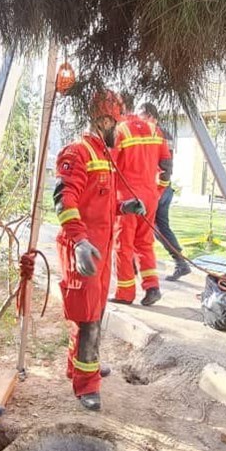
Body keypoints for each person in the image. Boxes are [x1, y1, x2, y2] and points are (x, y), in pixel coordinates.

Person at [54, 90, 145, 411]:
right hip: (83, 249)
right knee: (87, 318)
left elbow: (99, 204)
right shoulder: (78, 152)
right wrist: (79, 241)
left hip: (98, 248)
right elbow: (65, 201)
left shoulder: (102, 154)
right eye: (116, 123)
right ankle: (86, 385)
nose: (118, 131)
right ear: (104, 119)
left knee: (92, 312)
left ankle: (79, 365)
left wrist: (124, 206)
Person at [109, 94, 170, 306]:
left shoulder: (119, 131)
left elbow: (109, 167)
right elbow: (167, 167)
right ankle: (152, 286)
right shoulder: (154, 129)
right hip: (150, 195)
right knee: (144, 243)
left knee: (123, 245)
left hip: (127, 199)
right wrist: (158, 190)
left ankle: (125, 293)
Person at [138, 103, 190, 281]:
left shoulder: (158, 134)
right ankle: (180, 263)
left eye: (142, 117)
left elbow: (166, 164)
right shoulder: (160, 133)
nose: (140, 121)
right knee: (159, 228)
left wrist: (159, 188)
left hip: (157, 188)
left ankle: (136, 269)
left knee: (144, 228)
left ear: (151, 116)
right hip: (159, 187)